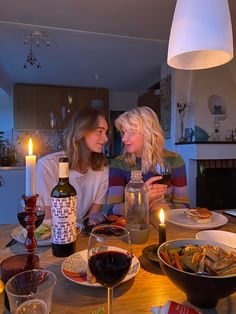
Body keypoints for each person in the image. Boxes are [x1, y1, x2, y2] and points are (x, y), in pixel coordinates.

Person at [106, 106, 189, 216]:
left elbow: (183, 206)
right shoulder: (119, 164)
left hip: (167, 225)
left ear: (148, 133)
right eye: (124, 132)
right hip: (133, 227)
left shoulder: (174, 160)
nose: (124, 138)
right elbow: (112, 210)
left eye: (131, 132)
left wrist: (167, 208)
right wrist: (141, 200)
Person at [36, 107, 109, 223]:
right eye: (99, 131)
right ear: (82, 131)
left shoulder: (102, 169)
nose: (105, 138)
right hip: (54, 235)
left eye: (106, 132)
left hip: (81, 234)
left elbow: (90, 220)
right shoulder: (47, 165)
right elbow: (47, 220)